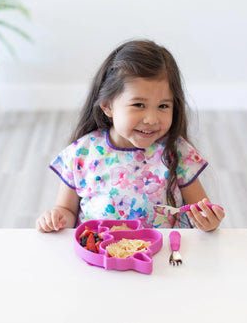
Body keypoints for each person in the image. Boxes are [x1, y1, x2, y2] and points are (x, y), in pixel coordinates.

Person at [36, 39, 225, 233]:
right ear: (108, 106)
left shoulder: (176, 152)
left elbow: (199, 210)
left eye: (163, 106)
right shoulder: (82, 153)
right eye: (138, 105)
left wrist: (208, 221)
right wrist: (56, 218)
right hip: (100, 257)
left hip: (160, 258)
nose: (152, 119)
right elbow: (66, 210)